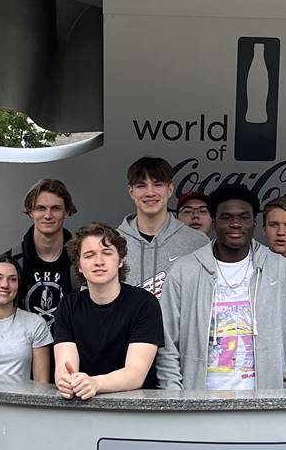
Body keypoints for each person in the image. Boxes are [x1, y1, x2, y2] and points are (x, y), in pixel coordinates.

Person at [157, 184, 286, 390]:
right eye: (226, 217)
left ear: (254, 223)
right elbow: (167, 342)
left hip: (266, 405)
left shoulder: (280, 270)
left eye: (243, 217)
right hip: (198, 404)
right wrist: (174, 398)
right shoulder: (184, 271)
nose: (235, 224)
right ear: (214, 222)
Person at [53, 222, 165, 396]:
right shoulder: (67, 306)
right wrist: (66, 381)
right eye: (89, 255)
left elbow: (135, 374)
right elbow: (64, 365)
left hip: (135, 411)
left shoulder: (144, 303)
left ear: (120, 260)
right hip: (84, 408)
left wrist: (96, 383)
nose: (99, 261)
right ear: (79, 266)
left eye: (106, 253)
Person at [0, 254, 55, 388]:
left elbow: (41, 385)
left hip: (19, 406)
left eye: (12, 279)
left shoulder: (35, 324)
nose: (5, 285)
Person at [118, 156, 205, 295]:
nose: (150, 192)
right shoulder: (112, 242)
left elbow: (208, 298)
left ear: (170, 189)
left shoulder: (198, 242)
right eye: (141, 186)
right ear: (131, 192)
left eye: (158, 184)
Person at [16, 178, 78, 323]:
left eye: (55, 208)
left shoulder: (82, 260)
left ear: (67, 212)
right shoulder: (12, 262)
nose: (48, 215)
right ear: (31, 211)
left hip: (71, 345)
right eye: (41, 208)